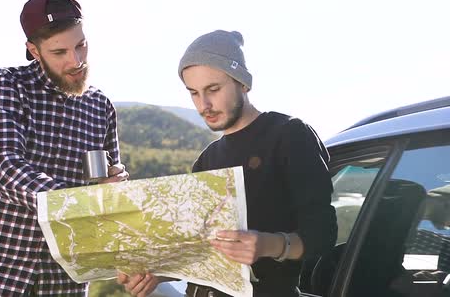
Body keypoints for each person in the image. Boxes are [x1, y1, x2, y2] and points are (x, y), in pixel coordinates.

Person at [118, 30, 338, 296]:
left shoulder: (290, 135)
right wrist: (156, 274)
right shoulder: (206, 159)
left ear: (242, 82)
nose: (204, 105)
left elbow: (323, 235)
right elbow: (202, 249)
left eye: (213, 89)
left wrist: (268, 245)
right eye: (194, 93)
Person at [0, 0, 128, 296]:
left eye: (81, 45)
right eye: (60, 52)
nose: (76, 61)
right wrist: (72, 201)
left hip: (63, 284)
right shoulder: (8, 84)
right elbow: (3, 164)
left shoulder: (101, 107)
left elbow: (103, 197)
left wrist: (112, 186)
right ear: (34, 50)